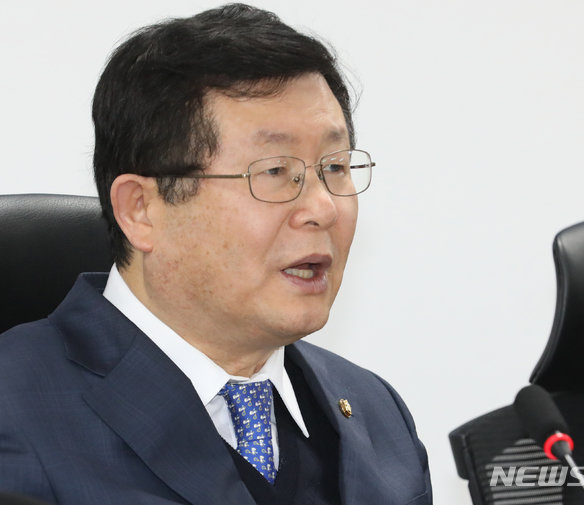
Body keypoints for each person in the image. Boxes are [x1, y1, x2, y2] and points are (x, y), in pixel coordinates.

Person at [0, 4, 432, 504]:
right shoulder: (15, 409)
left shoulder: (376, 411)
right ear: (141, 209)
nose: (323, 208)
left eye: (334, 167)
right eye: (275, 171)